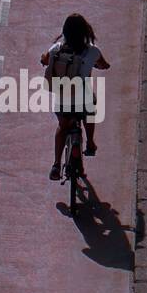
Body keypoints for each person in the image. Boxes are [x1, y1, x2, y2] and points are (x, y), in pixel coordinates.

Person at [40, 13, 110, 181]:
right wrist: (100, 65)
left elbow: (44, 59)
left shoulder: (57, 49)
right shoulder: (93, 51)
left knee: (62, 127)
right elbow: (104, 65)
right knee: (90, 111)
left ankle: (56, 165)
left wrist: (44, 61)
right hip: (83, 99)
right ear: (86, 31)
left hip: (63, 99)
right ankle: (90, 143)